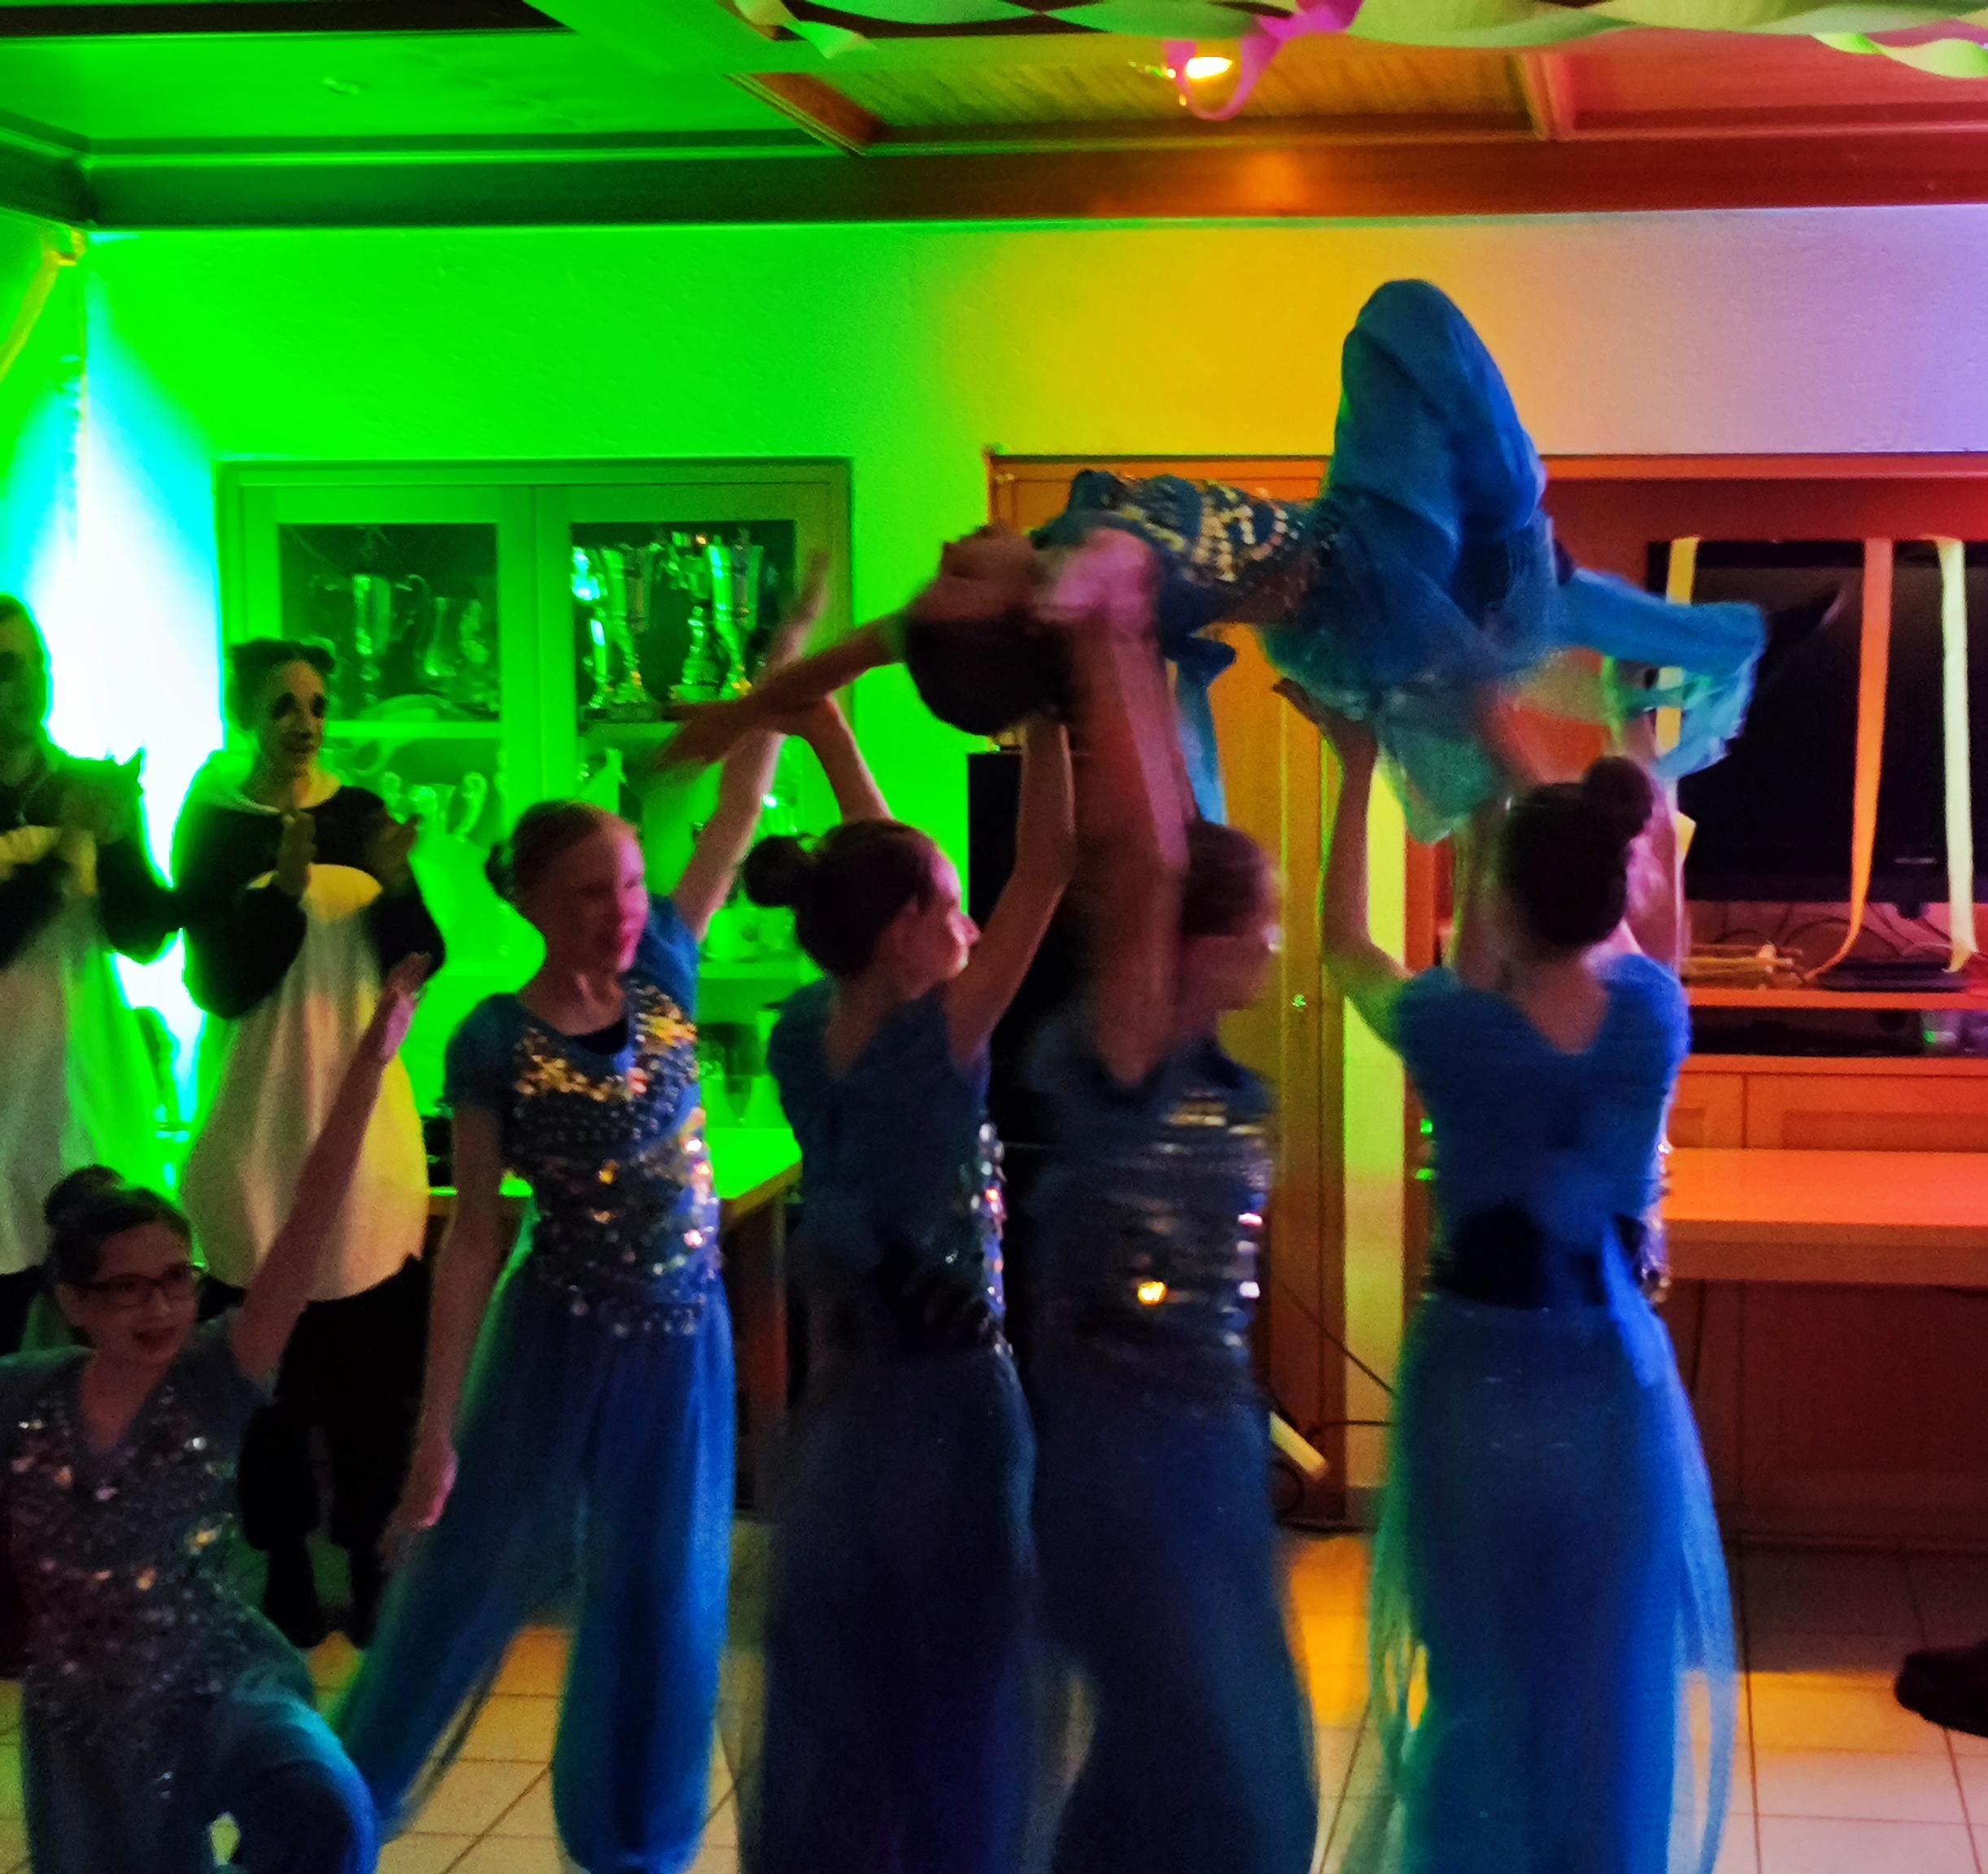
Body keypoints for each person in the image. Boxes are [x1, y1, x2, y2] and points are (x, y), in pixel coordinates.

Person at [334, 610, 800, 1874]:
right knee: (464, 1578)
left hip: (683, 1340)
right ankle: (326, 1819)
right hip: (559, 1334)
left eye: (632, 885)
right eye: (593, 892)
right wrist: (436, 1431)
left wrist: (790, 661)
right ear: (533, 899)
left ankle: (634, 1842)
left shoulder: (669, 976)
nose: (622, 910)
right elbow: (474, 1239)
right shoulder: (493, 1036)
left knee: (667, 1597)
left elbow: (737, 807)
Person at [1300, 691, 1737, 1874]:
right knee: (1605, 1670)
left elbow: (1346, 949)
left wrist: (1357, 768)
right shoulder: (1653, 1018)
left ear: (1494, 902)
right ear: (1613, 893)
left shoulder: (1457, 1030)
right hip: (1611, 1378)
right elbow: (1652, 939)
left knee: (1479, 1666)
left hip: (1478, 1378)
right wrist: (1606, 769)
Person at [891, 280, 1766, 839]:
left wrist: (855, 651)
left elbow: (964, 633)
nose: (949, 548)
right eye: (959, 577)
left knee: (1543, 601)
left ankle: (1726, 640)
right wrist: (1086, 578)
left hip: (1350, 606)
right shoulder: (1095, 579)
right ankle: (1516, 506)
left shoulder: (1063, 569)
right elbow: (1127, 559)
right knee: (1401, 321)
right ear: (1030, 614)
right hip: (1364, 571)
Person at [739, 657, 1072, 1872]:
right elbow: (1047, 866)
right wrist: (1042, 698)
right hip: (954, 1404)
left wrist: (834, 732)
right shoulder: (943, 1039)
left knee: (859, 1669)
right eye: (951, 910)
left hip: (847, 1412)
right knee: (963, 1677)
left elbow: (874, 874)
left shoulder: (802, 1034)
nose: (971, 927)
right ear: (902, 937)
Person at [1022, 533, 1318, 1874]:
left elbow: (1166, 845)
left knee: (1193, 1769)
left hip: (1201, 1455)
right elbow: (1142, 863)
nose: (1274, 940)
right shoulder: (1126, 1055)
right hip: (1128, 1466)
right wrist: (1114, 634)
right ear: (1194, 943)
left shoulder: (1192, 1058)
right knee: (1209, 1775)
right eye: (1259, 920)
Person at [0, 955, 426, 1874]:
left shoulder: (215, 1376)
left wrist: (368, 1068)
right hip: (88, 1720)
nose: (159, 1307)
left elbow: (309, 1218)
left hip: (217, 1680)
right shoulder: (21, 1397)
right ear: (73, 1301)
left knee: (325, 1809)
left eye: (174, 1280)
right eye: (126, 1289)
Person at [173, 636, 442, 1648]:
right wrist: (281, 894)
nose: (305, 722)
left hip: (361, 1125)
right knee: (266, 1380)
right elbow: (217, 985)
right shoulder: (215, 827)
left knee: (372, 1379)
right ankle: (284, 1564)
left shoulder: (362, 814)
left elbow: (419, 961)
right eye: (284, 705)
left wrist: (398, 885)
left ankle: (370, 1563)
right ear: (246, 713)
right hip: (256, 1129)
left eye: (318, 704)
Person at [0, 596, 181, 1355]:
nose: (31, 682)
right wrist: (68, 841)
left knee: (106, 1333)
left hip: (82, 1092)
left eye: (38, 662)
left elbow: (145, 938)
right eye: (8, 667)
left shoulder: (86, 780)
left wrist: (118, 838)